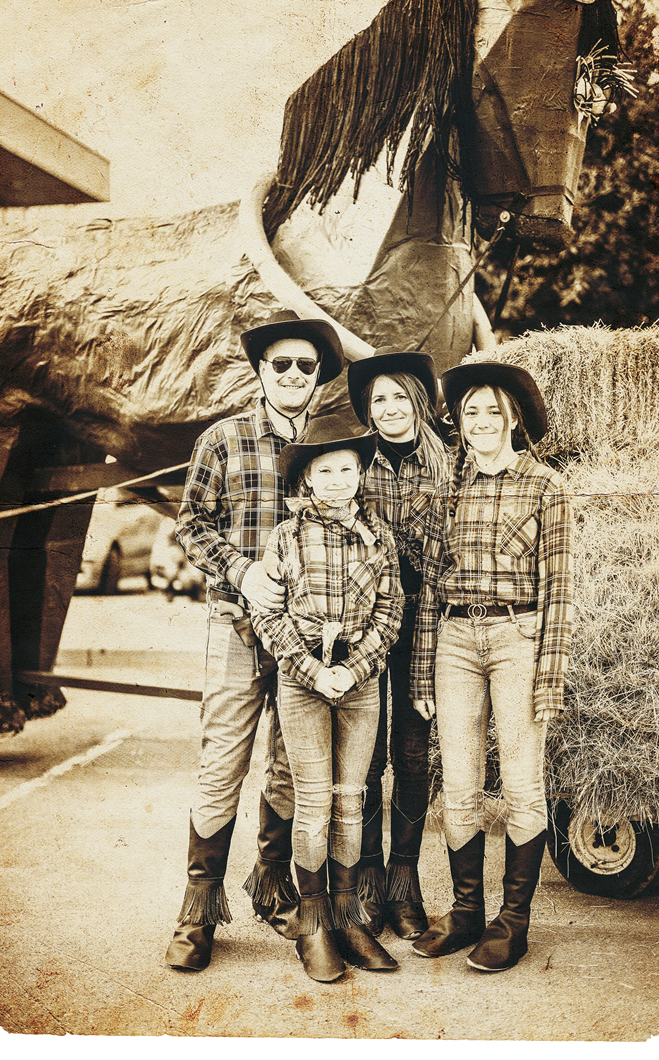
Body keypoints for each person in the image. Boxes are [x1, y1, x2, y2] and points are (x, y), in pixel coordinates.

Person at [165, 308, 344, 971]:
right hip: (237, 625)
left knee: (293, 766)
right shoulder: (223, 439)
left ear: (318, 375)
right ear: (262, 371)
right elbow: (191, 523)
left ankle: (272, 887)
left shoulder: (332, 446)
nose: (294, 374)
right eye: (281, 363)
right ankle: (198, 911)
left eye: (306, 365)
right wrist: (242, 572)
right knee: (222, 762)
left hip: (306, 641)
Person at [408, 352, 573, 973]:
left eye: (491, 412)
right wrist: (422, 671)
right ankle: (467, 911)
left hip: (517, 637)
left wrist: (549, 675)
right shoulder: (448, 491)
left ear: (513, 420)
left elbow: (560, 589)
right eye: (469, 411)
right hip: (454, 639)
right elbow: (431, 587)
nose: (479, 421)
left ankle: (514, 922)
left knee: (523, 783)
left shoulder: (546, 487)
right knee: (460, 784)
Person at [251, 416, 404, 982]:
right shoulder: (285, 537)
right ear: (307, 479)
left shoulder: (378, 536)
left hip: (359, 682)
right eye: (326, 471)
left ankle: (346, 916)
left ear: (359, 474)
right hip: (304, 679)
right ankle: (313, 924)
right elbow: (268, 615)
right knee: (313, 803)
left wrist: (354, 669)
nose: (338, 480)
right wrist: (315, 671)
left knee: (350, 801)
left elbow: (391, 611)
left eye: (347, 469)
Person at [345, 348, 452, 939]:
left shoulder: (449, 464)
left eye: (398, 396)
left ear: (419, 400)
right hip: (367, 622)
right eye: (378, 399)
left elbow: (446, 565)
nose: (389, 408)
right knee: (366, 752)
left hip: (425, 623)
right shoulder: (357, 464)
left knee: (413, 751)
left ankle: (403, 877)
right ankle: (366, 875)